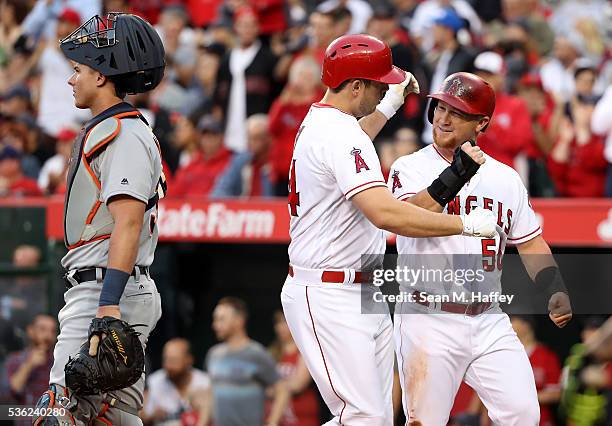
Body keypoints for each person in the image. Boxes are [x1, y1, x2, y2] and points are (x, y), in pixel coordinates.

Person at [281, 34, 497, 425]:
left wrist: (390, 107)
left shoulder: (330, 123)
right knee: (363, 417)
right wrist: (463, 224)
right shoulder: (339, 133)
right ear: (357, 86)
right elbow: (387, 214)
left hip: (356, 288)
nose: (384, 89)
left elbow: (354, 145)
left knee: (374, 417)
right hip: (328, 291)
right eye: (380, 85)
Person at [388, 71, 572, 424]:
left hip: (488, 317)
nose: (442, 117)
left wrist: (554, 287)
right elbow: (404, 218)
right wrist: (455, 175)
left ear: (481, 123)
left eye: (455, 111)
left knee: (523, 414)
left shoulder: (505, 178)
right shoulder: (409, 167)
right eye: (440, 107)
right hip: (428, 317)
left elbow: (531, 241)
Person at [32, 12, 166, 425]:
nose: (72, 80)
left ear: (104, 75)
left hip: (106, 290)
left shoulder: (122, 132)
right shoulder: (116, 129)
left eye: (78, 70)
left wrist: (107, 304)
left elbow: (127, 222)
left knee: (58, 415)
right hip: (114, 288)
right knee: (111, 416)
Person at [199, 297, 290, 426]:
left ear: (239, 321)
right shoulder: (213, 354)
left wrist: (273, 422)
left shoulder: (256, 353)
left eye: (221, 319)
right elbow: (210, 394)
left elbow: (282, 389)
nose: (215, 325)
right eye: (215, 319)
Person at [3, 314, 56, 426]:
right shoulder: (15, 360)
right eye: (42, 329)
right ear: (30, 331)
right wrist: (29, 365)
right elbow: (10, 393)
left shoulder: (58, 363)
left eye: (52, 331)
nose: (48, 335)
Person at [269, 310, 320, 426]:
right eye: (278, 323)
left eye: (285, 322)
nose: (280, 327)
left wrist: (277, 388)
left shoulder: (305, 350)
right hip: (279, 419)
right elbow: (264, 386)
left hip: (302, 418)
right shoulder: (272, 353)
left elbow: (298, 384)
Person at [142, 338, 210, 426]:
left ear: (189, 360)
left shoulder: (204, 382)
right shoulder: (154, 381)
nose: (168, 366)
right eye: (166, 360)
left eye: (173, 360)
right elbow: (141, 417)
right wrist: (152, 417)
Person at [510, 315, 561, 426]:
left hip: (539, 420)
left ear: (526, 325)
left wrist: (524, 399)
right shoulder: (505, 354)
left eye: (512, 320)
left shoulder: (547, 356)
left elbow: (556, 393)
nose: (508, 324)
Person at [212, 114, 274, 198]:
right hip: (245, 208)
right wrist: (237, 206)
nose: (252, 143)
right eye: (250, 138)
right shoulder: (241, 160)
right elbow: (220, 191)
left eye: (258, 138)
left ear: (269, 139)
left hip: (271, 209)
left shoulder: (278, 164)